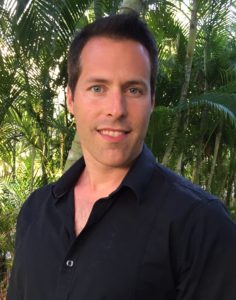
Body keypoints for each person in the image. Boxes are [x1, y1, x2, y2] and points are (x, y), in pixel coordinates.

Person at [7, 13, 236, 300]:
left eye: (133, 89)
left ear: (152, 100)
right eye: (97, 88)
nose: (116, 109)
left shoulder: (201, 224)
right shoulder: (35, 211)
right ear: (71, 99)